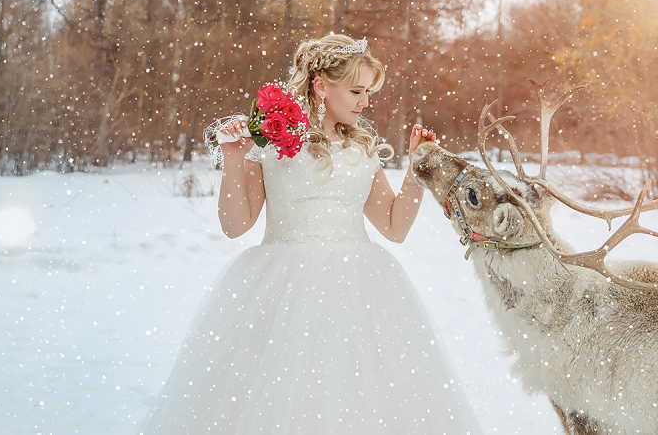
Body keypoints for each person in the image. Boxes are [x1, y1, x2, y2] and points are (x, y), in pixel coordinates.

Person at [141, 34, 483, 434]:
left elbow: (395, 227)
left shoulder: (362, 152)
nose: (365, 102)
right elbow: (236, 225)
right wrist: (234, 158)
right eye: (357, 90)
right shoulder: (269, 145)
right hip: (281, 290)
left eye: (368, 92)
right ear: (321, 86)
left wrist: (415, 169)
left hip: (361, 290)